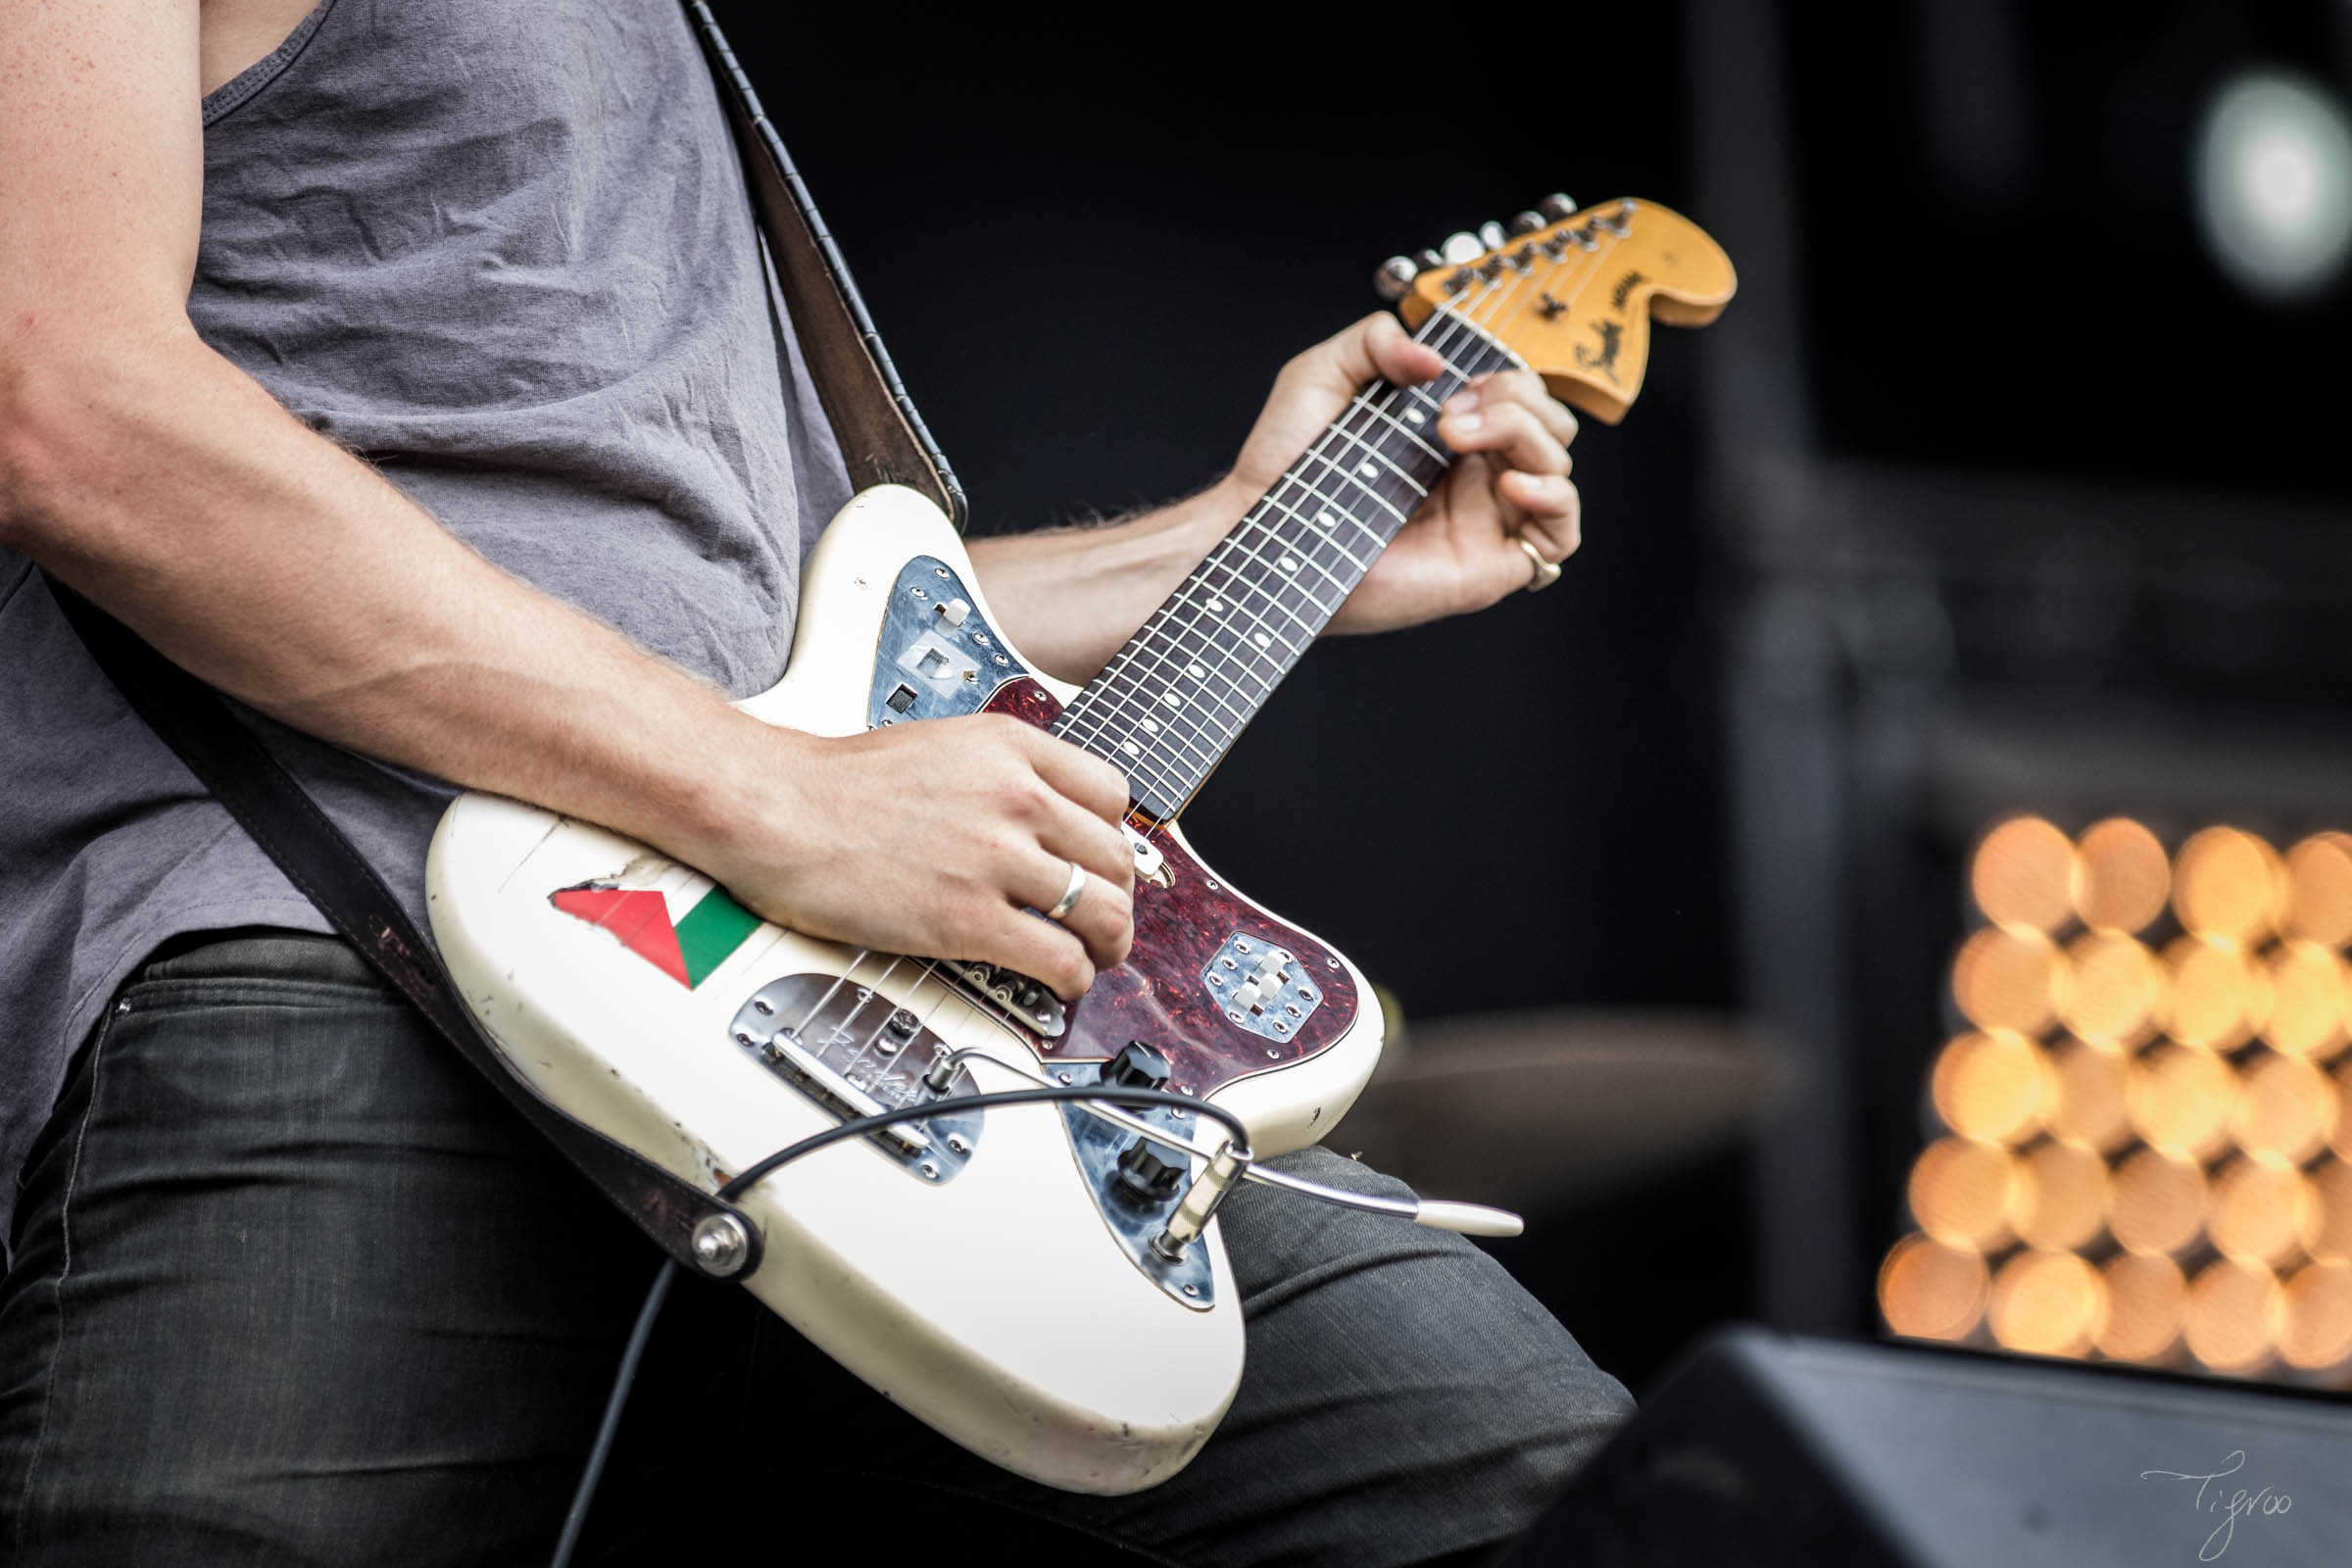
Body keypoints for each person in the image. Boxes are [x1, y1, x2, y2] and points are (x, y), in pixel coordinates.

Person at [0, 1, 1633, 1562]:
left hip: (840, 1021)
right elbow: (64, 394)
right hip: (335, 949)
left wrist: (1227, 543)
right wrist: (778, 800)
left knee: (1575, 1499)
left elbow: (770, 632)